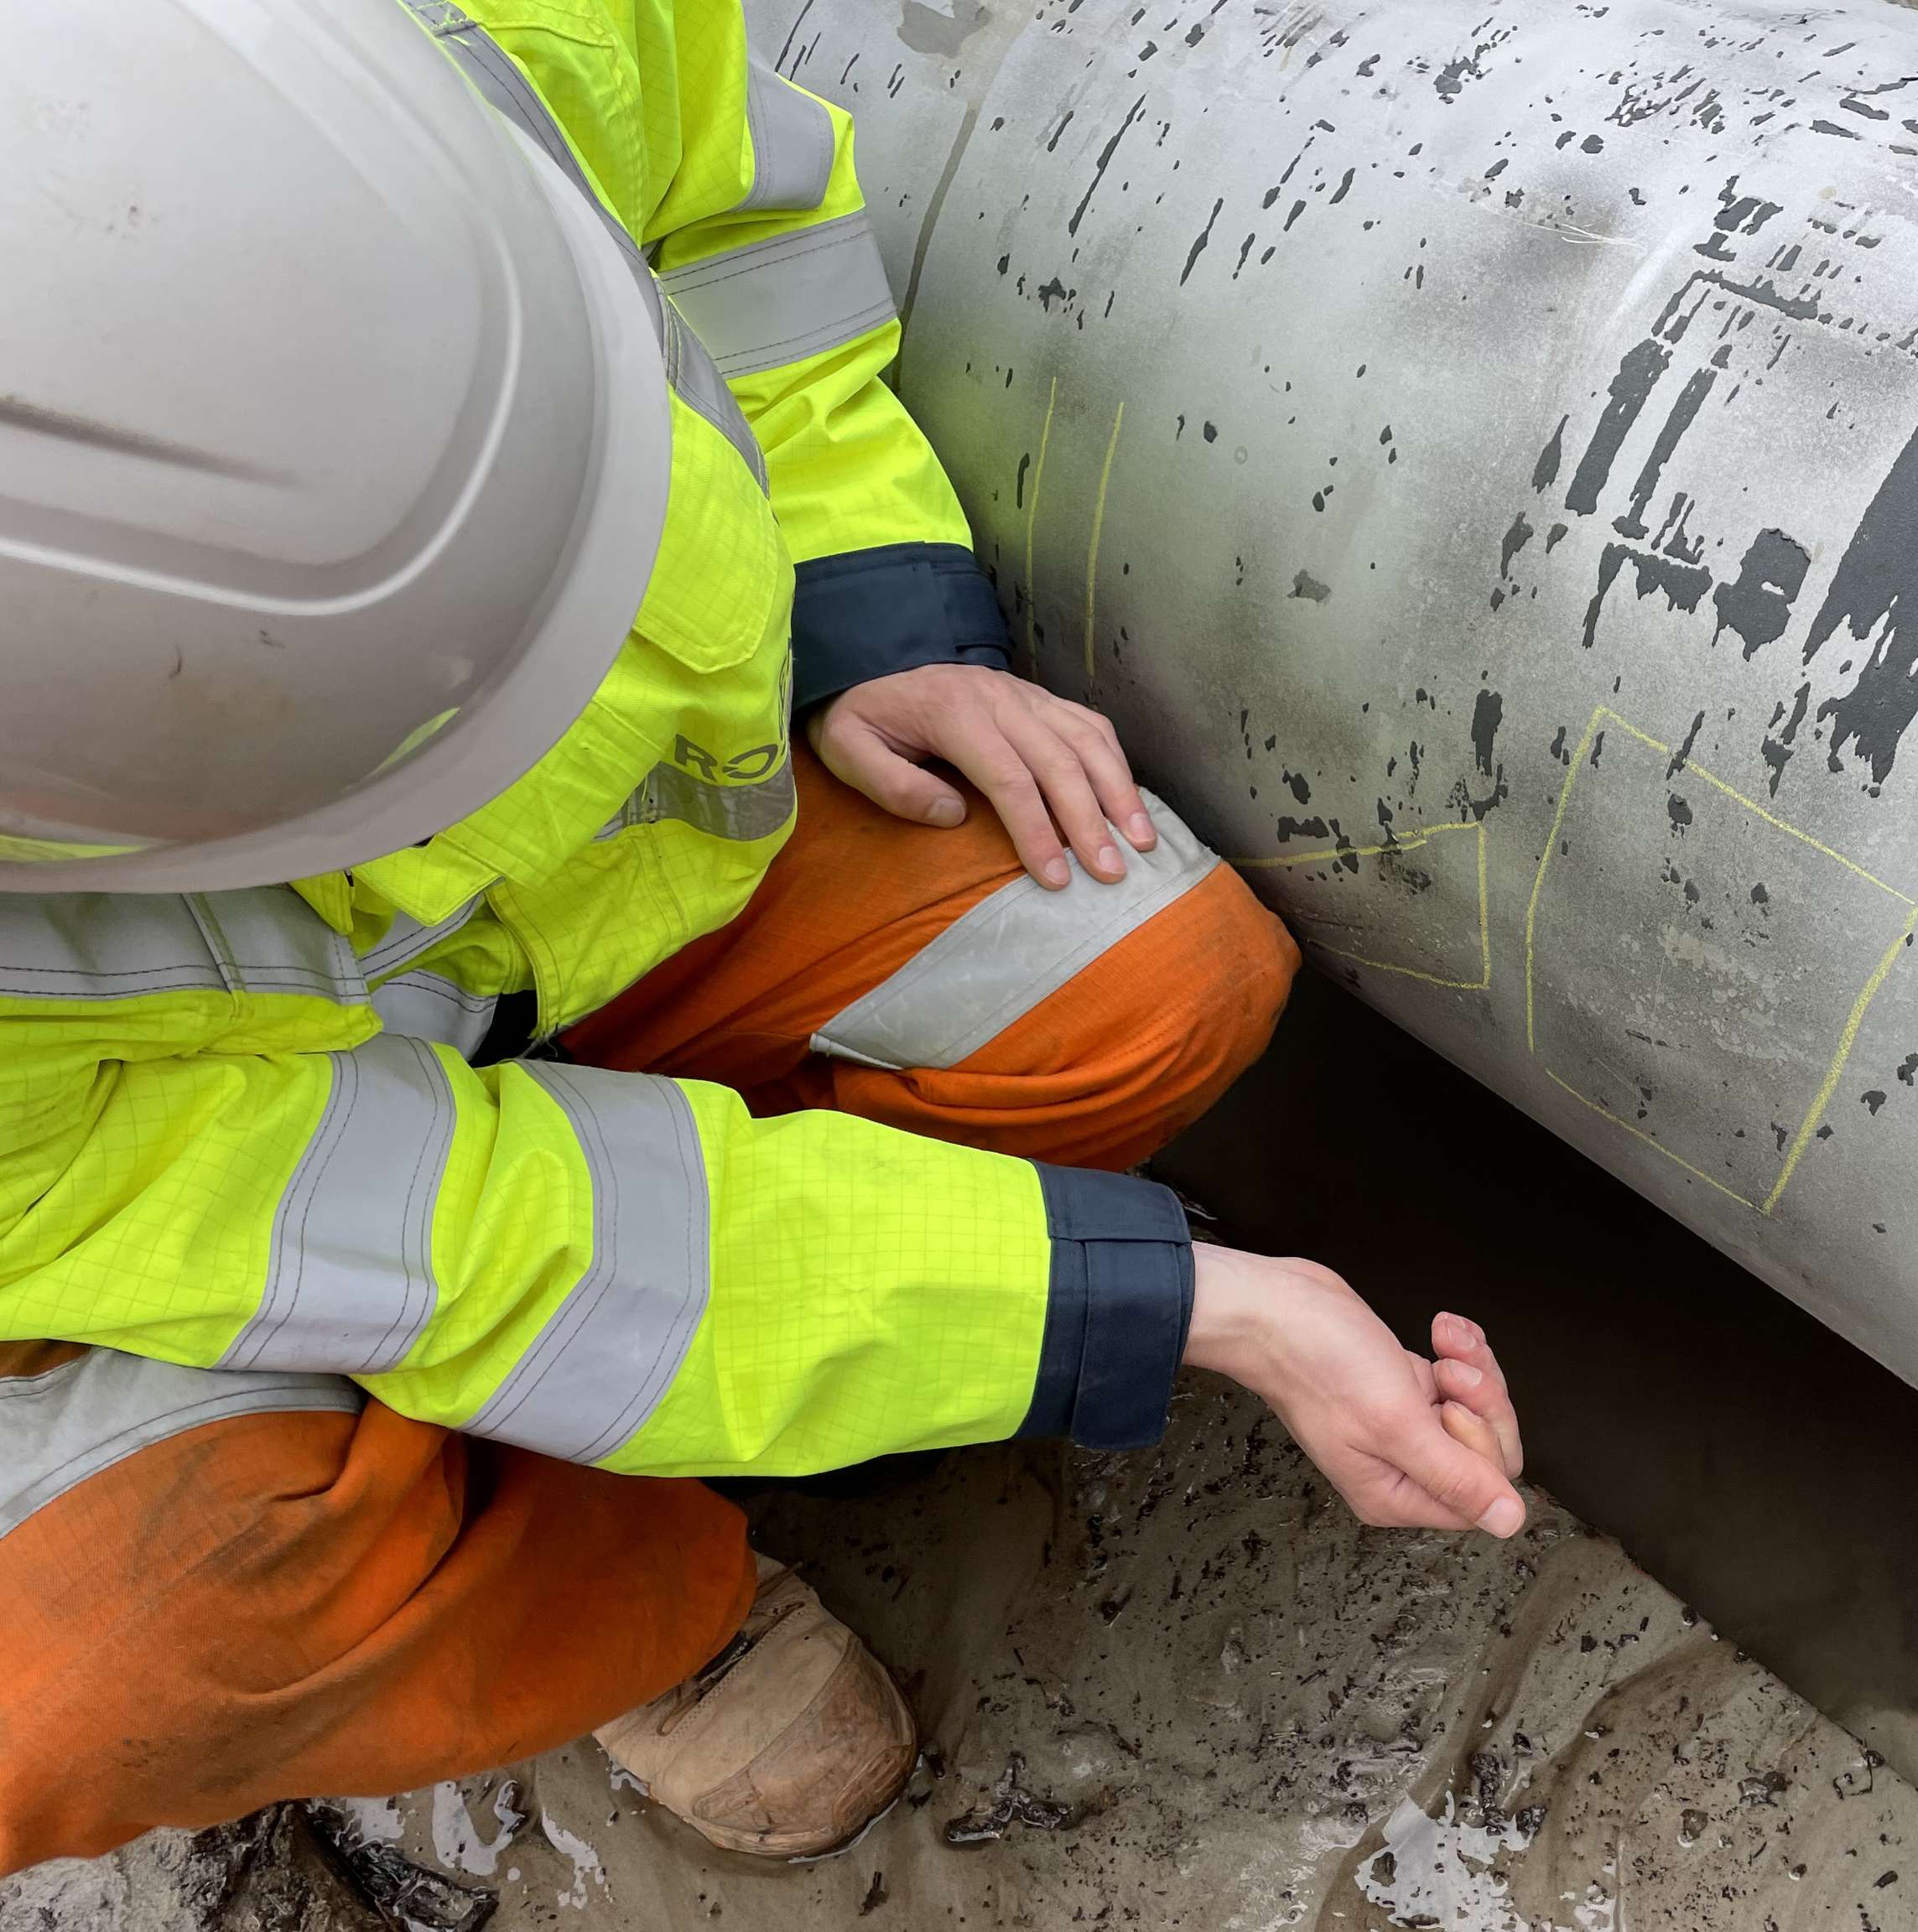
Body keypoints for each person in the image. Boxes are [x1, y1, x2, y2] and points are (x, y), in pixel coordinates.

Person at [0, 0, 1527, 1872]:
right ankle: (609, 1604)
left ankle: (729, 1391)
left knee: (1138, 981)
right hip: (166, 1214)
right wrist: (1188, 1305)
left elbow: (741, 226)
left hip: (589, 910)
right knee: (89, 1669)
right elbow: (479, 1240)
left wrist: (874, 614)